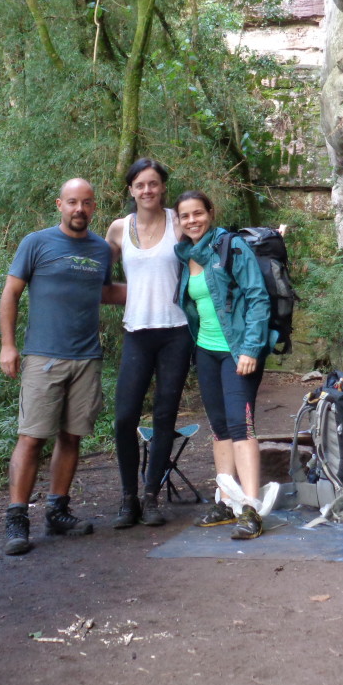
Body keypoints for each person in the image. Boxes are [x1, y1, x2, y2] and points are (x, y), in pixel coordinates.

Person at [0, 178, 124, 556]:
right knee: (32, 437)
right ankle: (17, 518)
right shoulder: (35, 243)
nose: (79, 210)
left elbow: (102, 292)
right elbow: (11, 293)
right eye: (72, 202)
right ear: (59, 204)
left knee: (72, 436)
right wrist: (8, 345)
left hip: (86, 358)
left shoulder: (101, 249)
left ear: (94, 207)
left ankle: (58, 510)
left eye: (86, 203)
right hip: (43, 356)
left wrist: (162, 289)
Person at [173, 190, 275, 540]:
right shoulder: (185, 253)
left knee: (240, 426)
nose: (192, 221)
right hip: (206, 351)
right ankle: (226, 499)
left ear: (210, 213)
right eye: (185, 216)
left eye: (197, 214)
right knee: (219, 428)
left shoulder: (231, 246)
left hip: (238, 352)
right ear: (179, 221)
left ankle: (251, 507)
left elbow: (258, 297)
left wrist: (250, 348)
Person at [104, 158, 194, 528]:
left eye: (153, 184)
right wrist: (136, 295)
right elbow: (100, 280)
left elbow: (202, 266)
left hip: (177, 331)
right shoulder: (118, 229)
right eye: (140, 185)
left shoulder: (179, 222)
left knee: (164, 416)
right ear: (130, 190)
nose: (147, 191)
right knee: (125, 416)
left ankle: (151, 495)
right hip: (137, 332)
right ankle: (128, 498)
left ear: (162, 187)